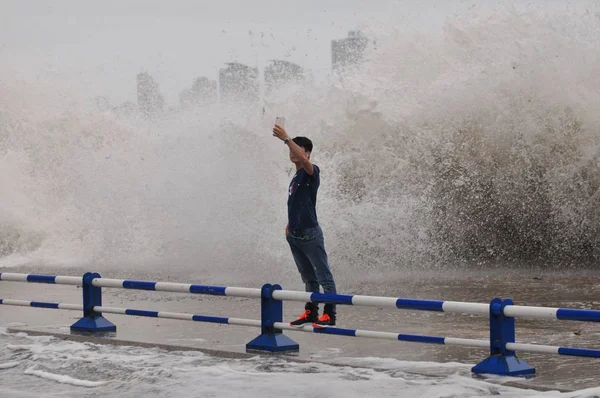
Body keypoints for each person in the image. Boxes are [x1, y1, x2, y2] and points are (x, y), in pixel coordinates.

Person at [272, 123, 337, 327]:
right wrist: (289, 225)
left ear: (307, 154)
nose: (294, 153)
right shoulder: (294, 177)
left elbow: (305, 162)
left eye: (300, 150)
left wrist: (286, 139)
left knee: (323, 275)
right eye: (292, 150)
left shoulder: (311, 172)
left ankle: (330, 314)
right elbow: (297, 204)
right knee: (308, 277)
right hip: (295, 235)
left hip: (310, 234)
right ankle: (311, 312)